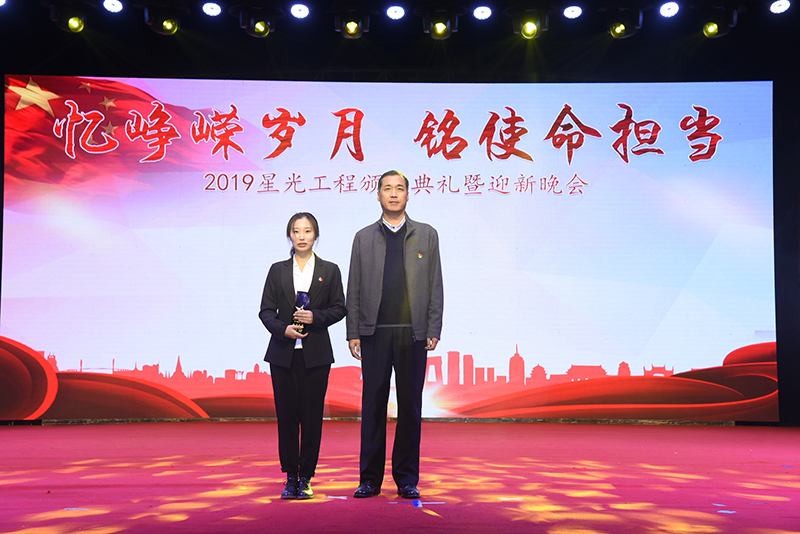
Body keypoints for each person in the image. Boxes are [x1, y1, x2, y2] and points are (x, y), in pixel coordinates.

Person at [346, 170, 444, 500]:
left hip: (412, 333)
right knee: (372, 406)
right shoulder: (363, 237)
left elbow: (435, 284)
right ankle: (369, 479)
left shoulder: (426, 234)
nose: (393, 194)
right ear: (377, 195)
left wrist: (432, 327)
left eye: (399, 188)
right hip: (374, 333)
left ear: (407, 195)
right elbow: (354, 286)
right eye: (387, 188)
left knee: (410, 407)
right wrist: (354, 331)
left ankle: (406, 478)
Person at [259, 212, 346, 500]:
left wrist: (315, 317)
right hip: (283, 355)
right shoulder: (277, 270)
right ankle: (290, 477)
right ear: (289, 235)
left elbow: (339, 308)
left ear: (315, 235)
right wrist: (283, 330)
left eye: (307, 231)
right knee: (287, 418)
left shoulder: (329, 270)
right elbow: (266, 311)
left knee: (311, 418)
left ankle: (306, 477)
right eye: (296, 231)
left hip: (316, 356)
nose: (301, 236)